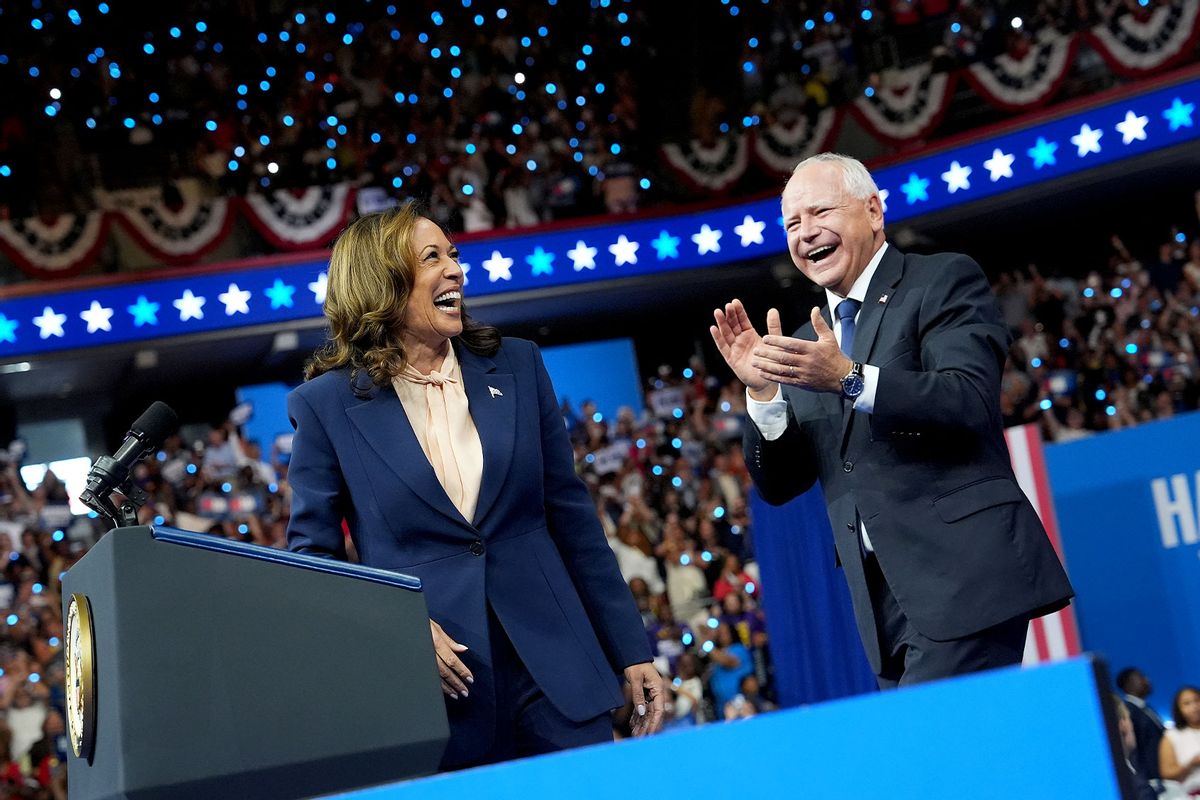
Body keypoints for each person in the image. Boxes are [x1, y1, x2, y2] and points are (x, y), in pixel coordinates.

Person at [286, 203, 663, 769]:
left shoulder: (516, 365)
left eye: (454, 254)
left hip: (556, 669)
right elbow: (313, 560)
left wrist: (631, 650)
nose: (455, 270)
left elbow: (571, 517)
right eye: (431, 258)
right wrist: (397, 629)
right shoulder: (326, 405)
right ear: (380, 281)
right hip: (441, 691)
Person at [709, 153, 1073, 688]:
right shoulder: (805, 344)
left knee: (938, 759)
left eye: (820, 212)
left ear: (874, 211)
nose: (805, 233)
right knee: (951, 766)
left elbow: (968, 399)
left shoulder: (941, 280)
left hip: (965, 576)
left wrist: (850, 378)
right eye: (791, 223)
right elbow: (782, 485)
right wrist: (763, 394)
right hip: (882, 601)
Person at [1117, 667, 1167, 780]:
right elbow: (1136, 749)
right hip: (1151, 777)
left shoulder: (1147, 708)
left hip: (1163, 772)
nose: (1147, 680)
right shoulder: (1129, 712)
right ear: (1128, 684)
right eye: (1141, 677)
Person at [1160, 686, 1200, 793]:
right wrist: (1191, 764)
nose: (1194, 707)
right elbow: (1166, 773)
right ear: (1179, 709)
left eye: (1197, 700)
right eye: (1186, 703)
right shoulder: (1172, 736)